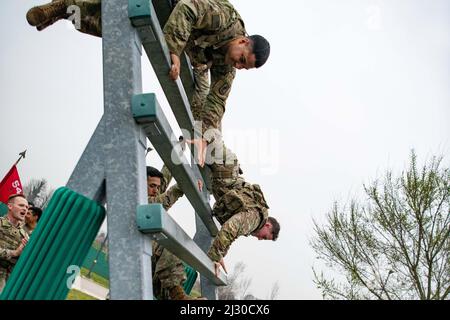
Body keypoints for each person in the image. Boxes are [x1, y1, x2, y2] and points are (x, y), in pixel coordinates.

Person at [25, 0, 271, 166]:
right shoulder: (225, 19)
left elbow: (217, 101)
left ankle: (67, 13)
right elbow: (187, 9)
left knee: (114, 26)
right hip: (172, 5)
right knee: (111, 5)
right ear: (242, 41)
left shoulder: (228, 66)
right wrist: (173, 51)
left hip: (175, 28)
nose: (237, 66)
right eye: (241, 60)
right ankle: (61, 6)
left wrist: (205, 138)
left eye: (243, 67)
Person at [205, 140, 280, 276]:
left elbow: (232, 235)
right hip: (223, 166)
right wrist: (213, 258)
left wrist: (221, 254)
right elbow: (230, 229)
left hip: (221, 169)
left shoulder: (253, 216)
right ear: (268, 225)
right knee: (204, 128)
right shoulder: (256, 219)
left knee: (199, 132)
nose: (259, 239)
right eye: (264, 237)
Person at [146, 166, 205, 300]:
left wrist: (178, 149)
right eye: (152, 186)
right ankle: (178, 296)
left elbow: (166, 173)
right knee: (166, 243)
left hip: (151, 261)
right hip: (134, 254)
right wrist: (185, 184)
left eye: (157, 187)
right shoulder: (139, 198)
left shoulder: (152, 192)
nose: (156, 191)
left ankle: (176, 295)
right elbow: (160, 202)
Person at [0, 194, 30, 294]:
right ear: (10, 206)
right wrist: (14, 253)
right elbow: (15, 253)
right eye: (21, 205)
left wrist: (24, 252)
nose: (25, 209)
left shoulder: (24, 235)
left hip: (9, 279)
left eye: (26, 207)